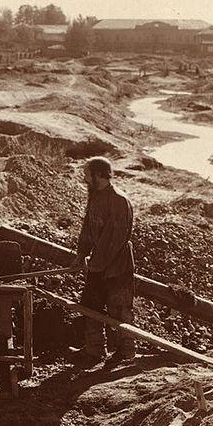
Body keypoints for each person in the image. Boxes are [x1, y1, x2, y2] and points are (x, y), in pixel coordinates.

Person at [72, 156, 136, 364]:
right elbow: (88, 230)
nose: (84, 177)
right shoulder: (95, 197)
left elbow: (115, 239)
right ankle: (95, 349)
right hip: (98, 264)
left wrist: (97, 263)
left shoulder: (118, 200)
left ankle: (126, 352)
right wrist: (81, 254)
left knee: (120, 310)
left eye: (87, 173)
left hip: (117, 266)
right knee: (91, 306)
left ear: (99, 174)